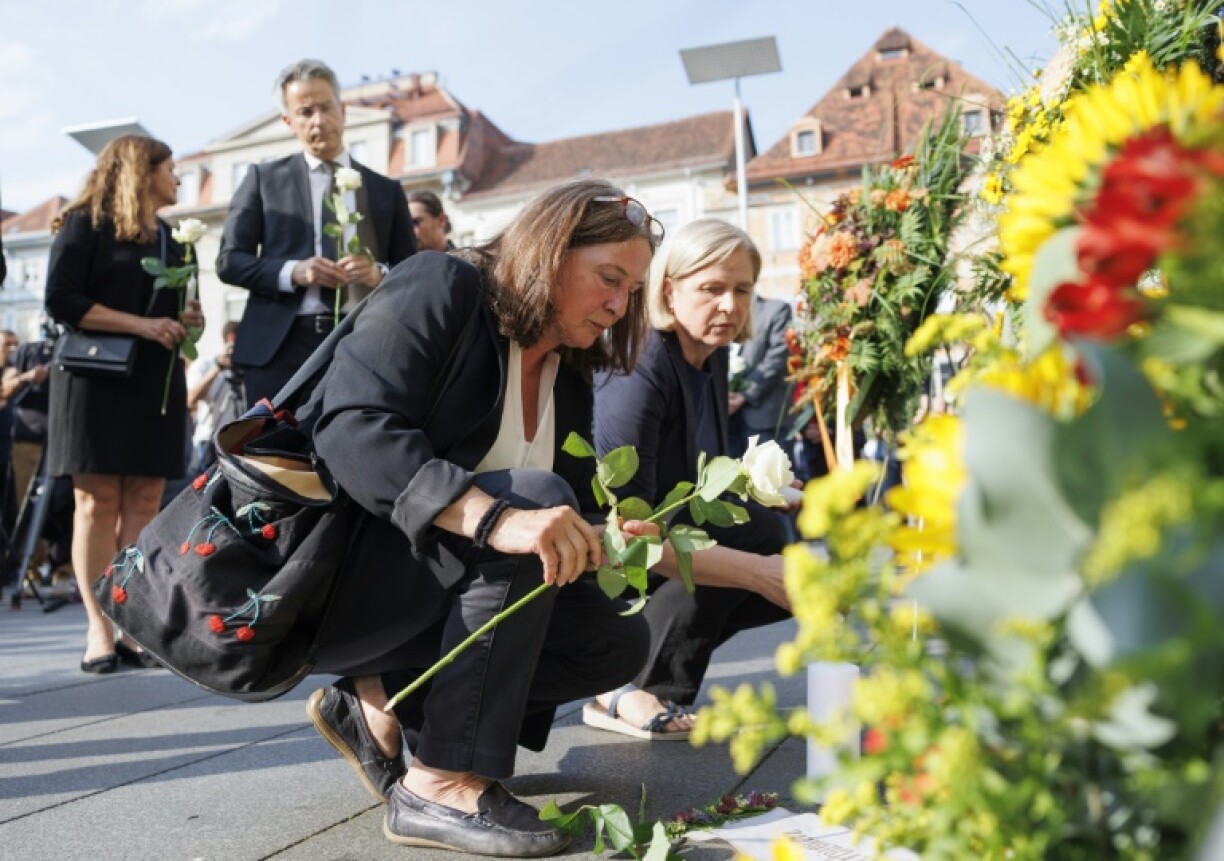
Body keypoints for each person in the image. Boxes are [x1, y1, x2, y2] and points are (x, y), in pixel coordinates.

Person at [303, 179, 663, 856]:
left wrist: (600, 535)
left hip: (439, 588)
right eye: (609, 278)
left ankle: (382, 697)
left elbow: (562, 502)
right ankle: (437, 781)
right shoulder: (442, 284)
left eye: (631, 292)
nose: (618, 305)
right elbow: (351, 428)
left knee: (615, 641)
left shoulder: (570, 369)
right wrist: (495, 516)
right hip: (349, 578)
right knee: (528, 495)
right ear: (550, 252)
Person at [589, 218, 793, 738]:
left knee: (765, 532)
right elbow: (628, 534)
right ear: (668, 290)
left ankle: (656, 680)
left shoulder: (709, 353)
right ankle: (618, 683)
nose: (729, 305)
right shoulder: (641, 367)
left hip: (667, 527)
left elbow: (700, 473)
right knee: (750, 554)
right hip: (602, 554)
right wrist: (756, 573)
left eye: (741, 289)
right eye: (711, 288)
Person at [44, 134, 205, 674]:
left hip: (154, 380)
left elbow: (178, 312)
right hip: (94, 378)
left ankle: (129, 623)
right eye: (170, 168)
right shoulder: (85, 223)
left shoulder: (177, 240)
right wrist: (142, 324)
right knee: (96, 504)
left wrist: (189, 323)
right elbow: (62, 299)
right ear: (143, 170)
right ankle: (97, 627)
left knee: (144, 500)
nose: (178, 178)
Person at [217, 58, 416, 408]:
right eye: (305, 111)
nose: (318, 120)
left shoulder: (385, 189)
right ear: (288, 121)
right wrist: (292, 271)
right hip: (279, 347)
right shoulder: (263, 180)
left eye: (325, 108)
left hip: (364, 338)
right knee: (272, 456)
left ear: (343, 109)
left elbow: (412, 272)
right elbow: (229, 261)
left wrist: (377, 274)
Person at [728, 293, 793, 457]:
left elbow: (777, 357)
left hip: (762, 417)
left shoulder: (776, 310)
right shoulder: (717, 312)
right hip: (724, 419)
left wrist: (745, 393)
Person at [185, 321, 244, 473]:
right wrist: (217, 367)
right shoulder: (204, 364)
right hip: (209, 441)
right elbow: (190, 399)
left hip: (238, 442)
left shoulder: (246, 368)